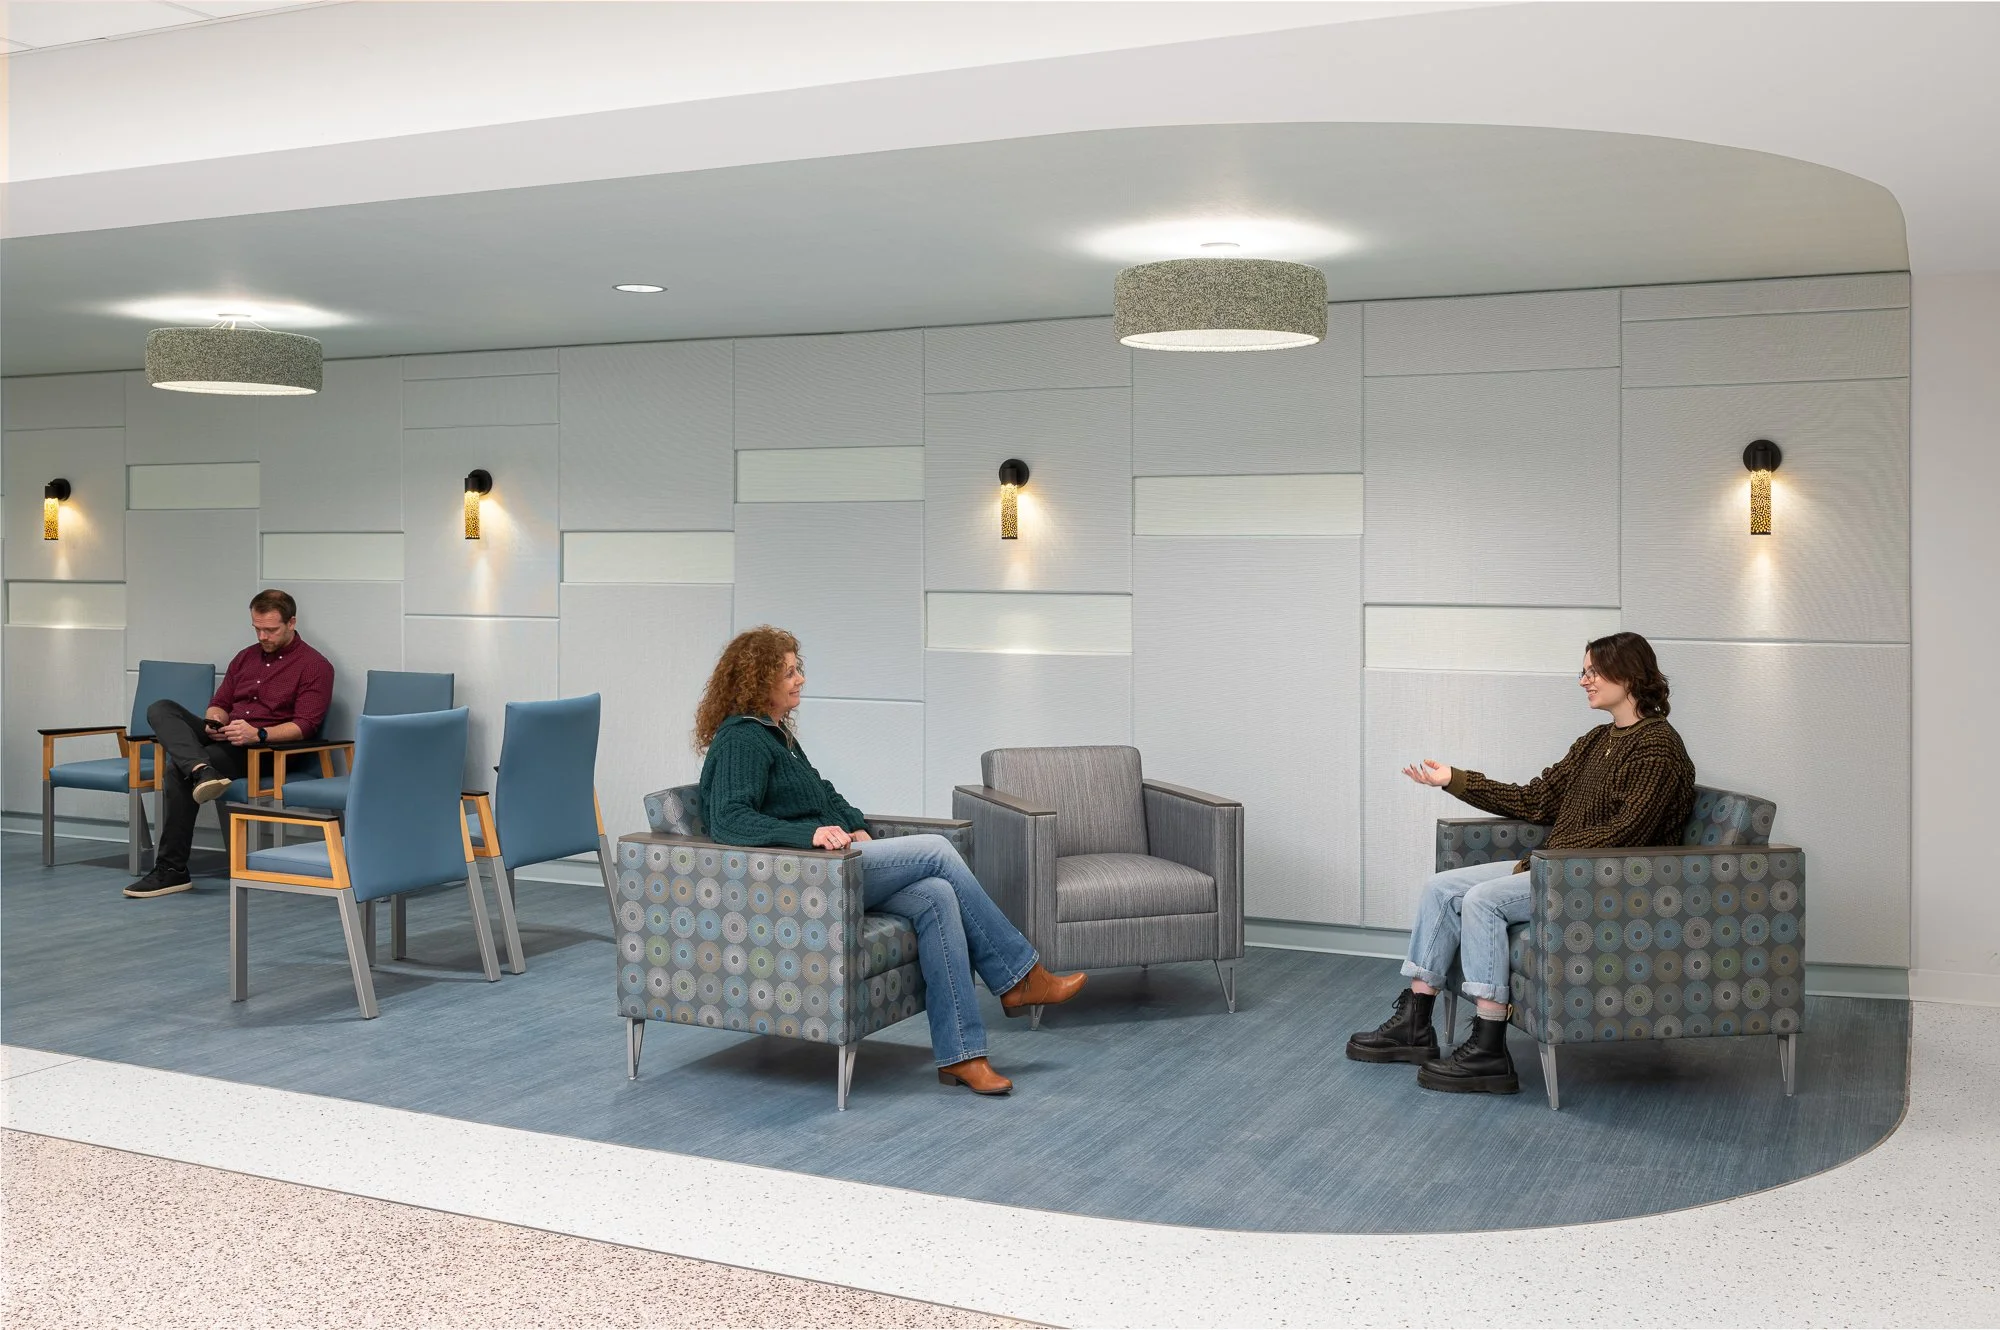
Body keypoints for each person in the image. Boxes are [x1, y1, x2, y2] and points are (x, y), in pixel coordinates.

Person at [694, 626, 1085, 1096]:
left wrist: (854, 823)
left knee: (937, 896)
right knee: (937, 851)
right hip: (808, 878)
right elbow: (729, 821)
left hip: (836, 864)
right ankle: (1019, 976)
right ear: (758, 681)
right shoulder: (742, 738)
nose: (800, 679)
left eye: (799, 668)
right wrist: (809, 834)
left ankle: (963, 1055)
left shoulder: (777, 736)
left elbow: (822, 794)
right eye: (788, 672)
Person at [1347, 631, 1695, 1094]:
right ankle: (1416, 1023)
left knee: (1483, 901)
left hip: (1606, 881)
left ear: (1629, 674)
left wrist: (1539, 861)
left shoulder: (1659, 749)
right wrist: (1455, 779)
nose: (1583, 680)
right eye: (1584, 671)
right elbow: (1536, 798)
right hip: (1558, 866)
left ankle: (1489, 1049)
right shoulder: (1597, 741)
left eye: (1592, 671)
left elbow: (1624, 834)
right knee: (1441, 888)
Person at [123, 589, 334, 899]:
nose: (263, 636)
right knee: (161, 708)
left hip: (264, 748)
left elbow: (306, 725)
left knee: (174, 770)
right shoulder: (246, 657)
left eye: (271, 629)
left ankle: (172, 869)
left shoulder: (314, 665)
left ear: (292, 622)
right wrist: (215, 721)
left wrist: (258, 734)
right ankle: (201, 770)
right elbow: (220, 701)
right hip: (229, 736)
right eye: (257, 628)